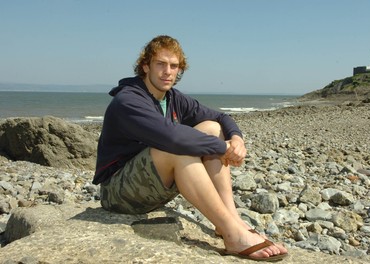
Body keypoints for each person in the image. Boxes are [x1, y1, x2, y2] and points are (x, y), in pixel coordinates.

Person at [93, 35, 288, 261]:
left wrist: (236, 139)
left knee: (211, 128)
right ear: (145, 66)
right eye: (160, 64)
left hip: (152, 184)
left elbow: (220, 117)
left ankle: (229, 221)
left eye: (174, 66)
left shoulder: (173, 98)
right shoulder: (128, 100)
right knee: (178, 149)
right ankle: (234, 235)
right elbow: (172, 138)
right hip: (118, 192)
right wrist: (222, 148)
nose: (168, 71)